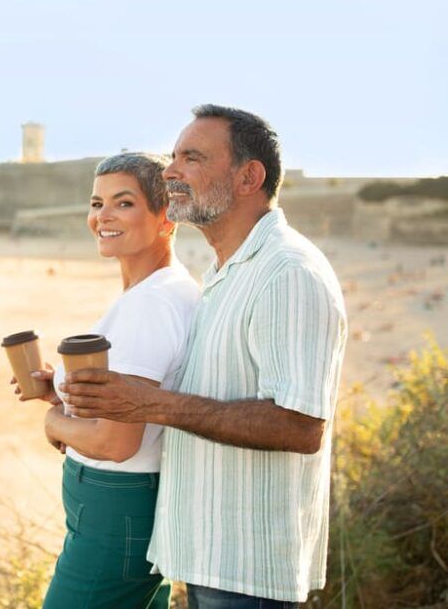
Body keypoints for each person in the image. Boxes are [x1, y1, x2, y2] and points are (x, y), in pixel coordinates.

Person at [61, 105, 348, 609]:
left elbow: (301, 426)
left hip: (249, 569)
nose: (171, 171)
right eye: (173, 157)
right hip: (211, 557)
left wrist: (150, 405)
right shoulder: (225, 273)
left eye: (192, 157)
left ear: (248, 177)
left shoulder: (287, 272)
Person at [13, 151, 201, 609]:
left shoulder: (149, 306)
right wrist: (59, 390)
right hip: (125, 511)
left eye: (124, 203)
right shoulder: (164, 291)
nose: (104, 217)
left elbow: (117, 442)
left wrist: (54, 424)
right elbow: (130, 399)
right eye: (97, 204)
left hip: (115, 514)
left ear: (166, 218)